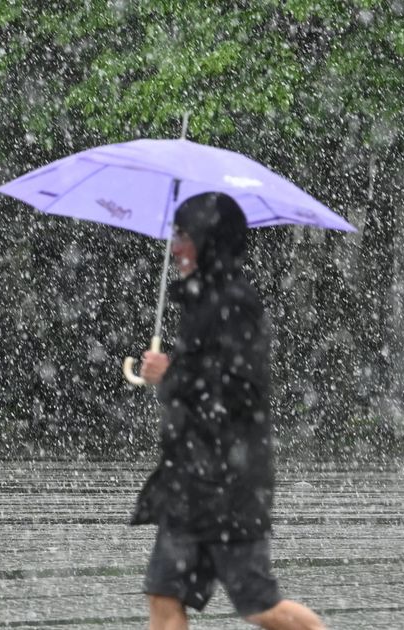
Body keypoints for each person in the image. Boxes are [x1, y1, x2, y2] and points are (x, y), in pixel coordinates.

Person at [133, 192, 324, 630]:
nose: (175, 247)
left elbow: (241, 391)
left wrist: (173, 373)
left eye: (183, 235)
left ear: (209, 239)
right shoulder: (198, 303)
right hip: (190, 482)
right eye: (175, 234)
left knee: (259, 606)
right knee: (164, 594)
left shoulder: (237, 302)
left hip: (230, 485)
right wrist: (168, 376)